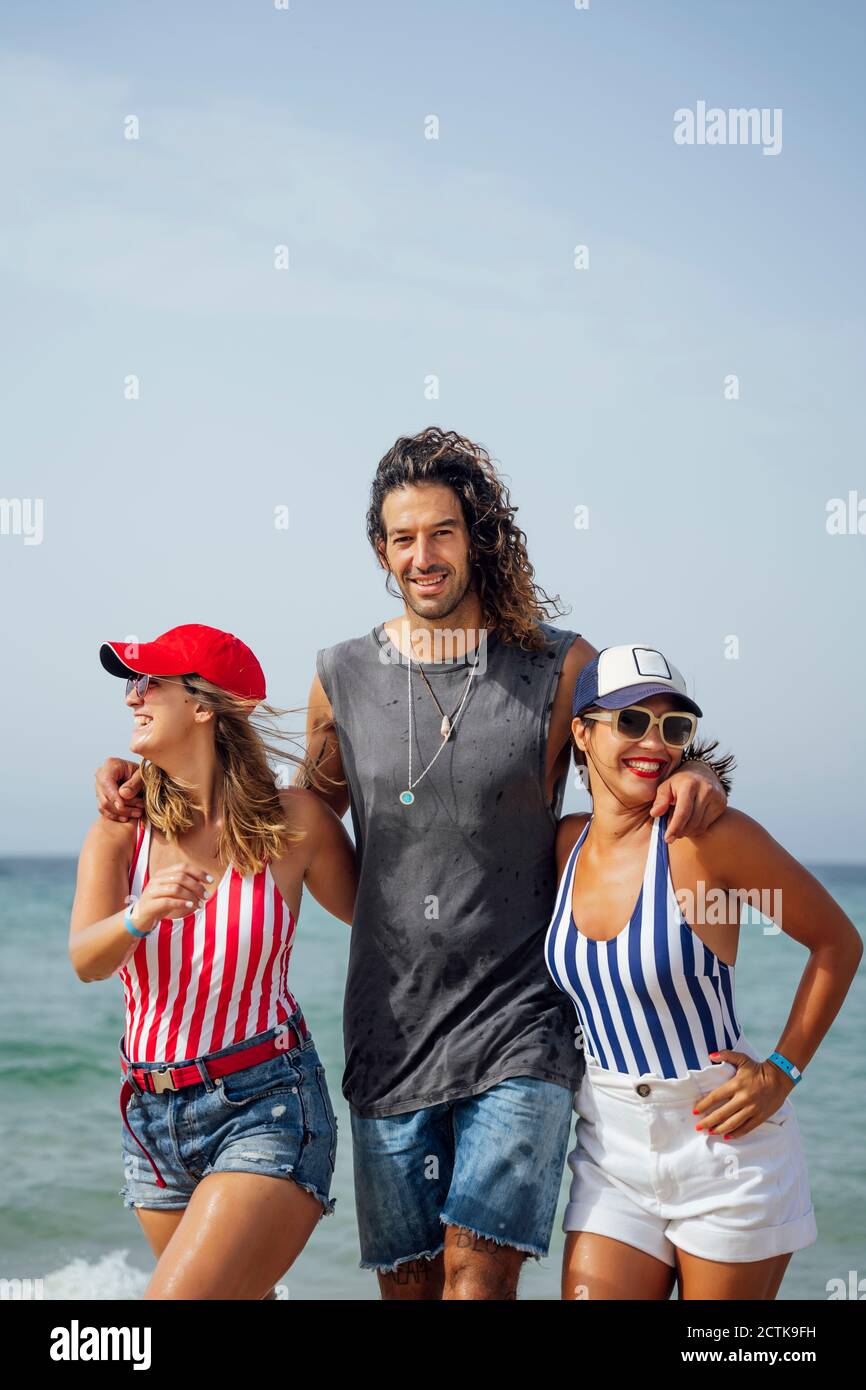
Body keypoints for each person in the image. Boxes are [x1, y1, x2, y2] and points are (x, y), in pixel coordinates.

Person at [92, 427, 728, 1301]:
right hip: (390, 1033)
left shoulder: (557, 664)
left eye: (440, 532)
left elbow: (636, 752)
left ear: (478, 538)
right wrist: (143, 779)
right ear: (382, 553)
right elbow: (286, 819)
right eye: (402, 539)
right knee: (415, 1287)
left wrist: (694, 774)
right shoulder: (341, 676)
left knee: (478, 1274)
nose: (422, 556)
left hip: (521, 1024)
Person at [545, 642, 863, 1301]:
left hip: (725, 1147)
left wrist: (783, 1072)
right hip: (610, 1148)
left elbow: (836, 943)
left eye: (673, 728)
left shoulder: (706, 840)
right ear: (582, 732)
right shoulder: (562, 846)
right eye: (631, 721)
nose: (652, 742)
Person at [69, 624, 356, 1300]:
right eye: (132, 684)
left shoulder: (298, 823)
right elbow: (86, 958)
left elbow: (385, 925)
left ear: (205, 705)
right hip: (150, 1119)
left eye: (149, 682)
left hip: (266, 1104)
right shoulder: (122, 823)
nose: (132, 698)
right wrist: (140, 915)